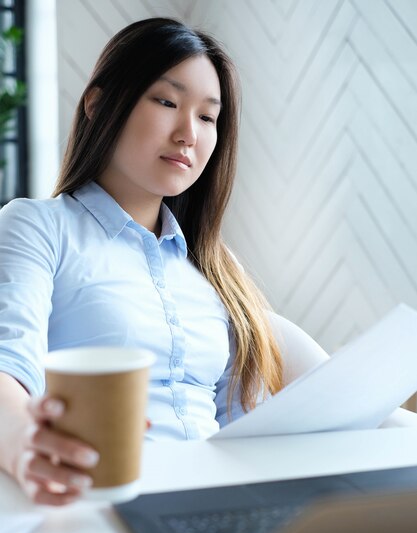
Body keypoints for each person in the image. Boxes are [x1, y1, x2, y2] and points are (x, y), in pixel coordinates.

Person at [0, 17, 333, 506]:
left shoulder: (215, 272)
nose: (188, 134)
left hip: (218, 506)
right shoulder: (38, 226)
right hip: (99, 502)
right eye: (167, 102)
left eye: (207, 117)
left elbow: (319, 393)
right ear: (97, 104)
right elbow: (7, 366)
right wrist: (23, 442)